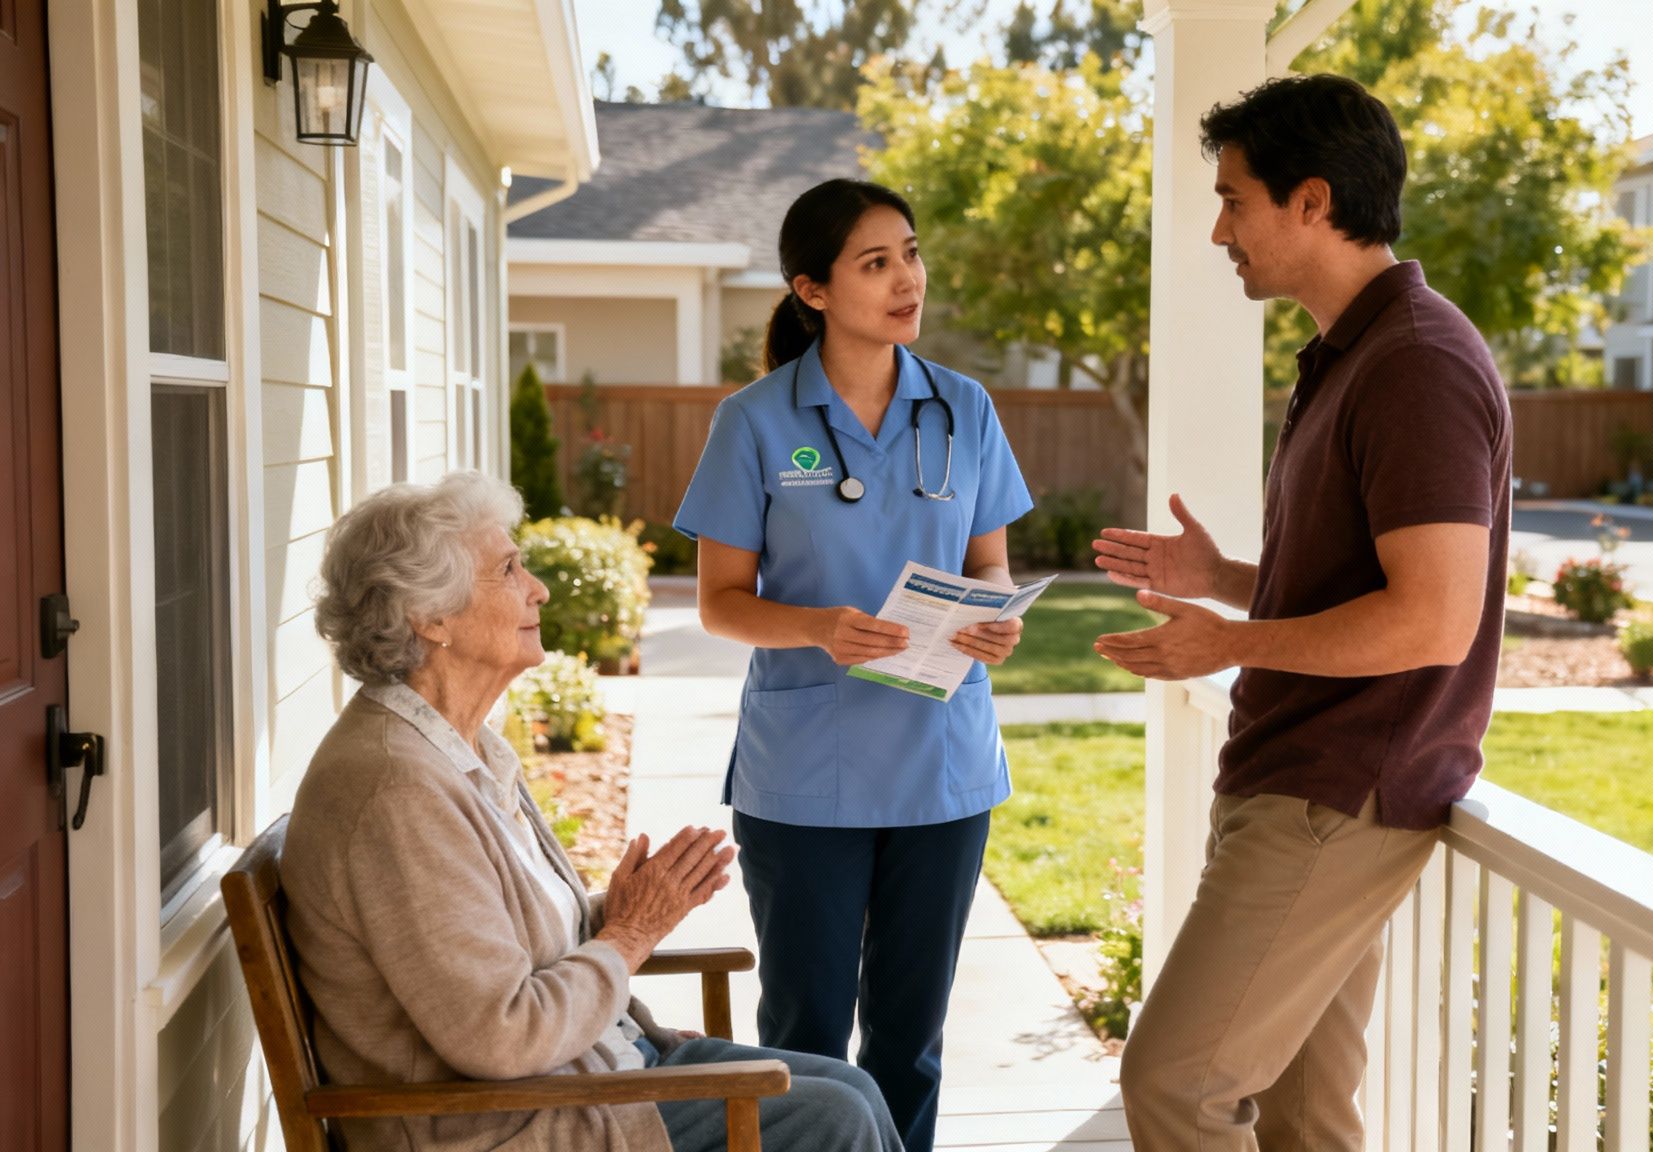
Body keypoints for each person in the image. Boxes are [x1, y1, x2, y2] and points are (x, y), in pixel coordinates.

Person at [1091, 74, 1513, 1150]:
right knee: (1302, 1115)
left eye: (1235, 198)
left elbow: (1431, 621)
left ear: (1312, 202)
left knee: (1174, 1084)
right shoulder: (1351, 355)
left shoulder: (1413, 362)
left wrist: (1229, 641)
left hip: (1338, 793)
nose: (1220, 228)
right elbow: (1357, 587)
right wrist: (1227, 576)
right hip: (1302, 777)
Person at [284, 471, 905, 1152]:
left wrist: (630, 909)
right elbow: (503, 1035)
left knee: (856, 1089)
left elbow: (509, 946)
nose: (538, 589)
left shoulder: (463, 748)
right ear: (430, 618)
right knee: (831, 1118)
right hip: (504, 1124)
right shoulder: (395, 792)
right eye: (510, 569)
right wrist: (632, 934)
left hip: (588, 1070)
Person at [673, 178, 1035, 1152]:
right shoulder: (752, 422)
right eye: (874, 262)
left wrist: (993, 620)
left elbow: (988, 565)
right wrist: (820, 627)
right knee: (803, 1041)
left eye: (909, 253)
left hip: (943, 770)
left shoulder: (962, 409)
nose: (905, 278)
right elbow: (719, 603)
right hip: (805, 780)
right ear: (813, 290)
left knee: (910, 1044)